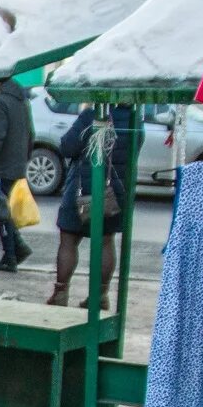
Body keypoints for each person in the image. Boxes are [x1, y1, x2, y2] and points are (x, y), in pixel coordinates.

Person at [47, 105, 141, 308]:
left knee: (69, 238)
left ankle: (61, 292)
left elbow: (68, 147)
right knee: (106, 241)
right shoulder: (134, 119)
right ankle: (100, 295)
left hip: (83, 188)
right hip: (116, 191)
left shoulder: (92, 115)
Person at [0, 77, 33, 272]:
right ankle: (17, 248)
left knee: (0, 212)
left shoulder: (1, 101)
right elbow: (31, 132)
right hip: (16, 163)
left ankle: (11, 255)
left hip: (2, 165)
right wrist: (25, 158)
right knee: (5, 210)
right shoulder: (21, 100)